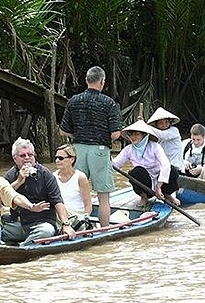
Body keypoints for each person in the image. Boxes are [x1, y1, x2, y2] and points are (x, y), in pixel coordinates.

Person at [60, 66, 122, 227]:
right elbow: (116, 134)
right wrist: (101, 137)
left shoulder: (74, 101)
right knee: (103, 197)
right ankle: (104, 231)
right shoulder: (108, 103)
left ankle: (72, 225)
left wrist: (78, 136)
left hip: (77, 151)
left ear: (87, 80)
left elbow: (63, 130)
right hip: (100, 151)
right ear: (102, 82)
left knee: (77, 191)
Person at [2, 138, 76, 245]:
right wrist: (19, 181)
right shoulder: (10, 175)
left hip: (42, 223)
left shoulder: (45, 174)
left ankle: (21, 248)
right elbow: (1, 200)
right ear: (15, 158)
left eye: (30, 155)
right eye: (23, 156)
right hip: (18, 224)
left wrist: (66, 224)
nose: (27, 158)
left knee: (46, 231)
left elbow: (58, 201)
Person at [112, 120, 180, 207]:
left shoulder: (155, 147)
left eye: (136, 134)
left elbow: (165, 165)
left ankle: (167, 195)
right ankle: (144, 197)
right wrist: (106, 159)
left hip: (161, 182)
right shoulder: (128, 149)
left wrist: (159, 186)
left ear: (144, 135)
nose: (133, 137)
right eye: (131, 134)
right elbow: (115, 164)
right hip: (145, 185)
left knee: (172, 169)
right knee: (136, 171)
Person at [53, 144, 93, 230]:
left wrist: (85, 218)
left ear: (72, 159)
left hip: (75, 215)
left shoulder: (80, 177)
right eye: (56, 158)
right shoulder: (53, 177)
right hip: (60, 213)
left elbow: (88, 204)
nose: (57, 160)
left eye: (61, 158)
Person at [147, 107, 184, 172]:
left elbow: (163, 135)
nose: (164, 125)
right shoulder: (155, 136)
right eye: (161, 123)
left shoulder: (174, 131)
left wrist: (145, 126)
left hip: (175, 168)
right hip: (163, 168)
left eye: (166, 122)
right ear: (157, 125)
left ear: (170, 122)